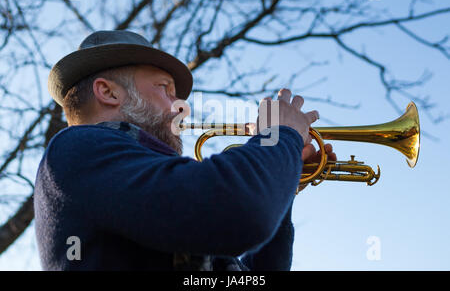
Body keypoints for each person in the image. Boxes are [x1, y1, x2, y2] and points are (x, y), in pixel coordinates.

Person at [34, 30, 336, 271]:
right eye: (165, 89)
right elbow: (240, 213)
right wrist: (277, 137)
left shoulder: (135, 173)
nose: (182, 108)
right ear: (108, 92)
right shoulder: (79, 148)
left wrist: (282, 174)